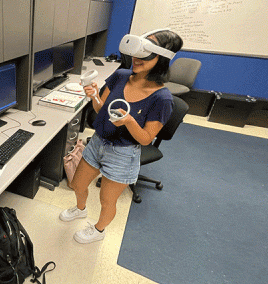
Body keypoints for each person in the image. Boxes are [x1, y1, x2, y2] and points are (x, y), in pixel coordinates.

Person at [60, 29, 183, 244]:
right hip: (97, 142)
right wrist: (94, 97)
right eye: (136, 53)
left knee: (107, 201)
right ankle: (80, 209)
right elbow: (100, 110)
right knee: (77, 185)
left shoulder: (162, 98)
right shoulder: (121, 76)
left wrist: (129, 121)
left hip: (123, 153)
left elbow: (146, 139)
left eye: (145, 55)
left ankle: (99, 231)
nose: (136, 59)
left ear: (161, 59)